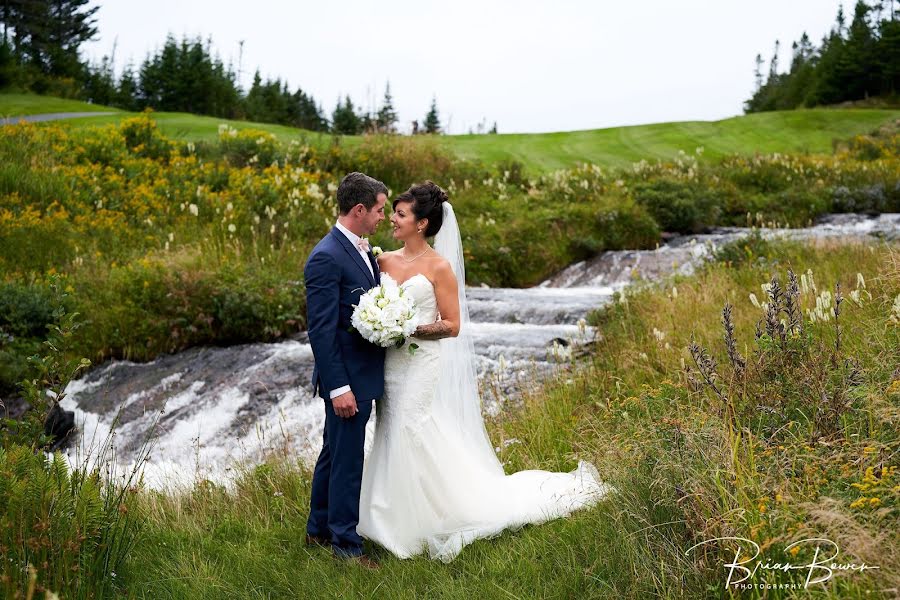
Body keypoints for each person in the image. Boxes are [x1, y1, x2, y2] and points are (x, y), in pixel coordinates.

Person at [358, 181, 609, 561]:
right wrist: (380, 325)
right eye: (393, 212)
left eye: (400, 214)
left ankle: (429, 518)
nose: (392, 219)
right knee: (390, 428)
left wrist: (406, 329)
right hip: (391, 364)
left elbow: (452, 325)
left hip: (421, 361)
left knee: (411, 425)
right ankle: (386, 515)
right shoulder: (384, 261)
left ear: (422, 223)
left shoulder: (439, 267)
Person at [304, 172, 387, 568]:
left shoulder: (359, 249)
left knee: (333, 455)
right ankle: (346, 547)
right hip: (347, 380)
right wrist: (339, 388)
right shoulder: (326, 256)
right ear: (359, 210)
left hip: (361, 373)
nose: (382, 218)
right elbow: (320, 332)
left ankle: (318, 529)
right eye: (379, 210)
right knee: (348, 460)